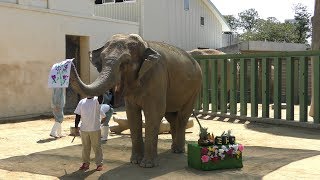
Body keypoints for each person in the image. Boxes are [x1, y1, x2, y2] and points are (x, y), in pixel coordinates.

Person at [74, 95, 104, 171]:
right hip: (84, 129)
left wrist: (98, 89)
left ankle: (99, 164)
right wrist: (76, 127)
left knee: (97, 147)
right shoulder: (82, 102)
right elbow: (78, 115)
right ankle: (86, 163)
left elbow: (101, 97)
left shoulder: (97, 100)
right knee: (85, 148)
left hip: (95, 129)